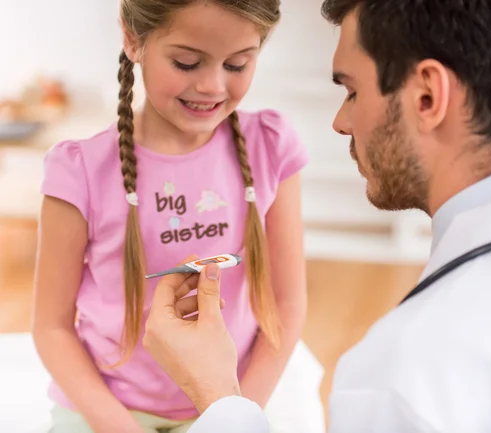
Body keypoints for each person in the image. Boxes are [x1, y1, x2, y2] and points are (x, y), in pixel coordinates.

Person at [142, 0, 491, 431]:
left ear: (427, 97)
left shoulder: (399, 374)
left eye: (353, 90)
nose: (341, 121)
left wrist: (216, 395)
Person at [32, 1, 311, 432]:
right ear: (132, 38)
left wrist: (232, 412)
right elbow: (52, 327)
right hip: (104, 412)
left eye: (237, 64)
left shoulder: (270, 146)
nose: (212, 86)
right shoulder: (80, 171)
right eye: (186, 62)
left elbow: (288, 304)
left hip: (227, 404)